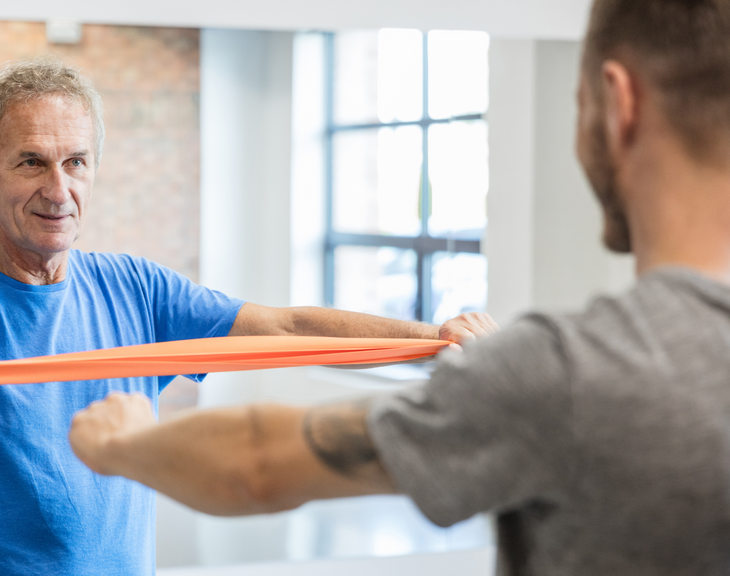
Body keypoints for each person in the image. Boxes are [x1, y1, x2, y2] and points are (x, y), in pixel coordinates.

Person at [0, 56, 496, 576]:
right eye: (30, 163)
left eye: (76, 162)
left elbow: (283, 329)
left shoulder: (137, 292)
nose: (59, 189)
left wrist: (434, 338)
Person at [68, 1, 730, 574]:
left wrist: (122, 443)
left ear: (620, 102)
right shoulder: (556, 371)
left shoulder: (569, 372)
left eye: (578, 102)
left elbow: (256, 462)